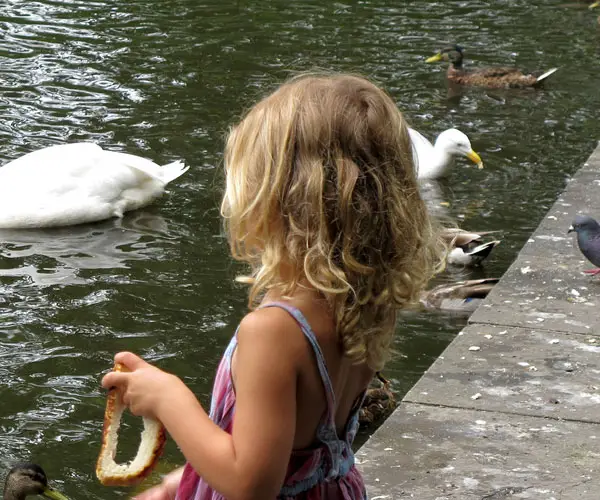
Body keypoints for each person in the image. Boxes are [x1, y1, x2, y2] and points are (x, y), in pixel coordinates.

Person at [101, 72, 446, 500]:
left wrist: (169, 398)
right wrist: (181, 485)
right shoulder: (367, 297)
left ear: (278, 198)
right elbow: (290, 452)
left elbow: (251, 484)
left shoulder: (274, 330)